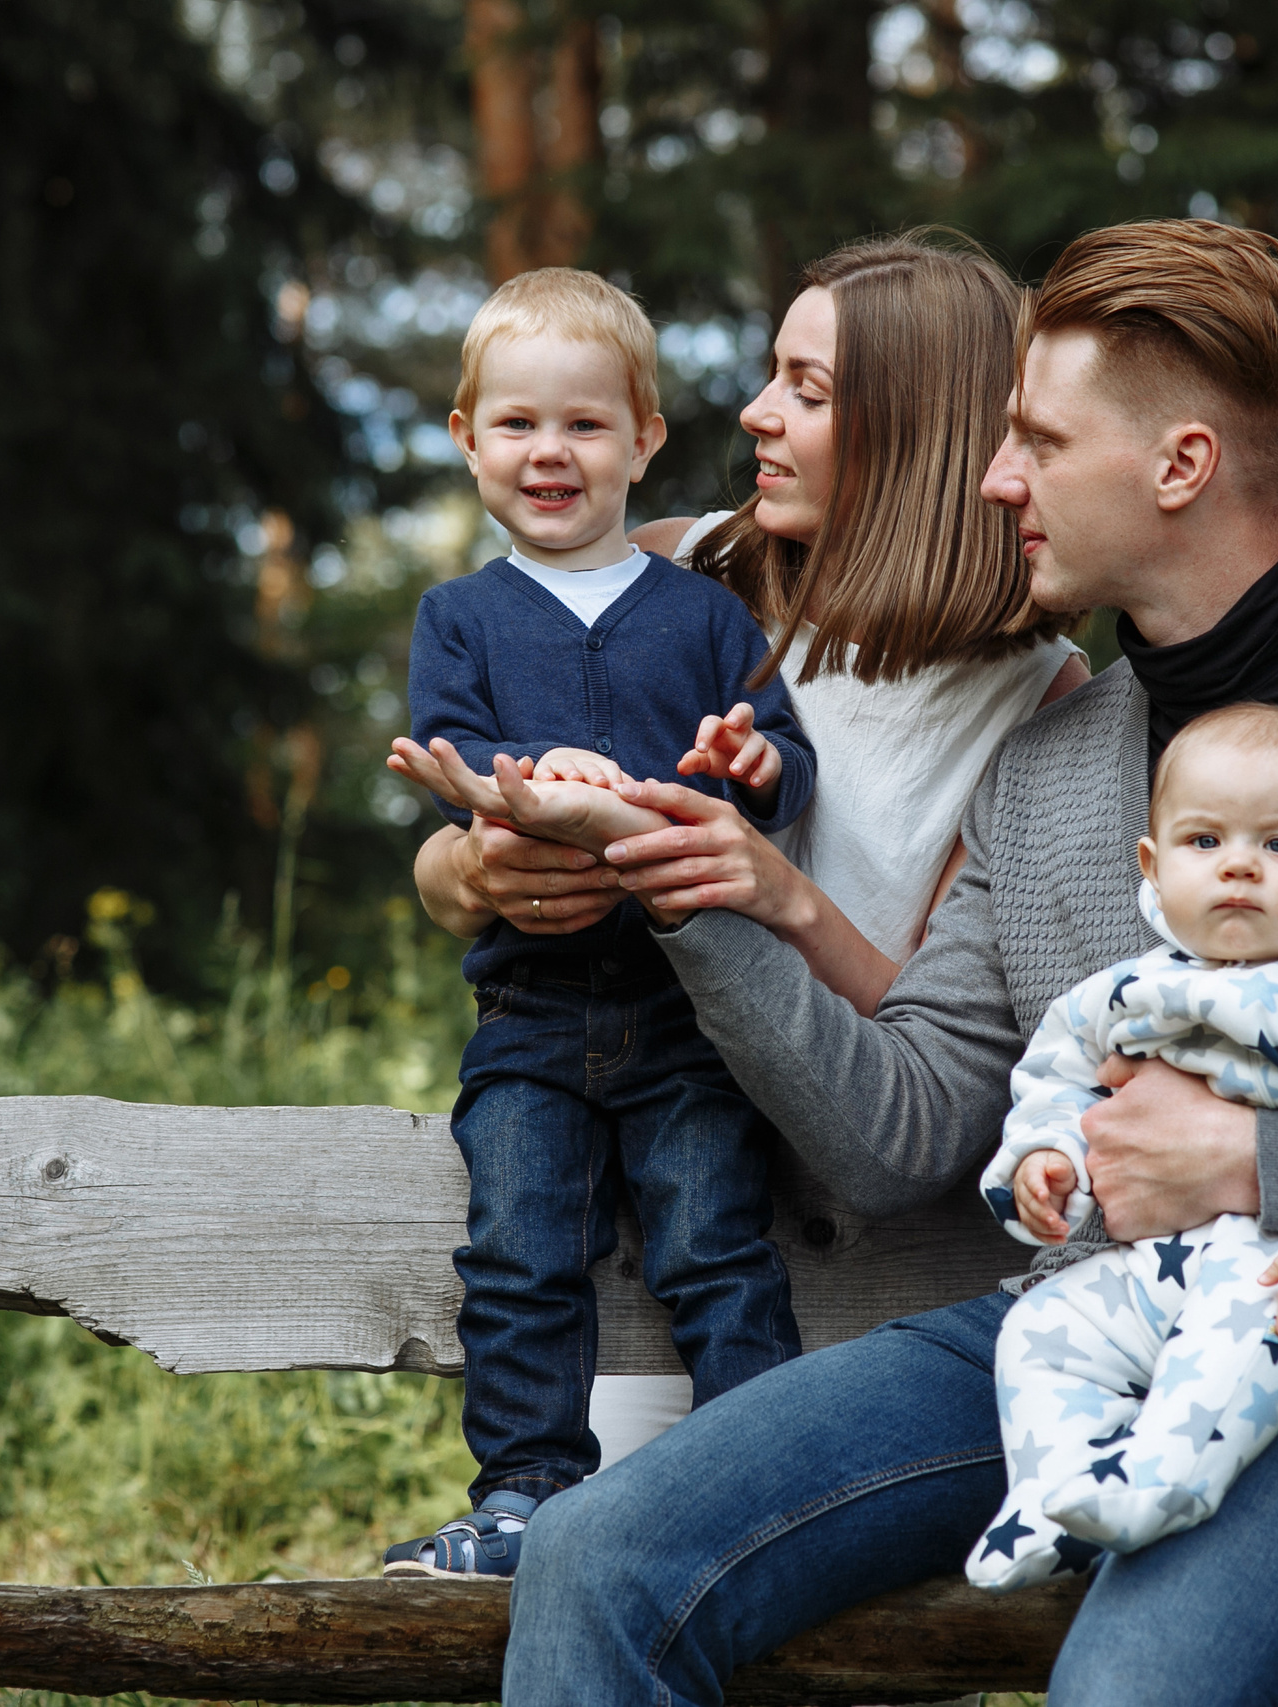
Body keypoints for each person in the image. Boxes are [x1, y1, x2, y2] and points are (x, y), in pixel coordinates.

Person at [502, 219, 1278, 1706]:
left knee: (1132, 1687)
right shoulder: (1051, 766)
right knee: (602, 1553)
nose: (997, 479)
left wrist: (1249, 1157)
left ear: (1179, 466)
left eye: (1039, 442)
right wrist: (705, 900)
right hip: (1087, 1328)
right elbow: (903, 1128)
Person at [406, 231, 1085, 1462]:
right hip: (642, 1164)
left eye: (807, 390)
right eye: (774, 372)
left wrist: (779, 895)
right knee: (612, 1526)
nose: (757, 412)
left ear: (913, 429)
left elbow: (935, 1055)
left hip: (872, 1244)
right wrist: (468, 872)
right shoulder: (674, 568)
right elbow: (461, 858)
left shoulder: (1039, 701)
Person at [378, 268, 815, 1579]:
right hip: (528, 1008)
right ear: (466, 440)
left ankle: (767, 1480)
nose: (548, 451)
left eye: (582, 423)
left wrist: (753, 760)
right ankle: (524, 1488)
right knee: (517, 1244)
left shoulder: (702, 610)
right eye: (514, 424)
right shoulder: (461, 615)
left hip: (689, 1011)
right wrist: (505, 788)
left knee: (716, 1238)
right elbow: (453, 748)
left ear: (644, 438)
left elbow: (774, 747)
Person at [965, 702, 1278, 1587]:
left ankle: (1164, 1483)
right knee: (1043, 1327)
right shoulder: (1127, 991)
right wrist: (1049, 1160)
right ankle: (1052, 1497)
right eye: (1204, 842)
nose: (1239, 863)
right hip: (1164, 1269)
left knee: (1232, 1342)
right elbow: (1056, 1078)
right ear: (1154, 870)